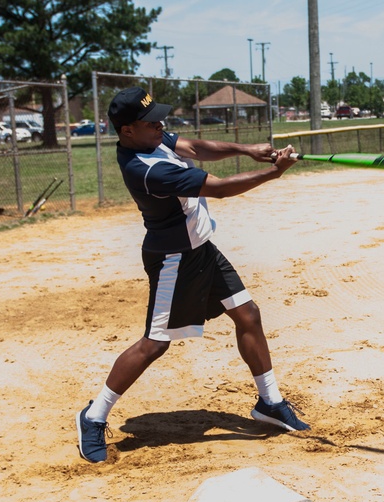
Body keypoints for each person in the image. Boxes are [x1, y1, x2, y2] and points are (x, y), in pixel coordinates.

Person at [75, 86, 309, 463]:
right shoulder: (146, 169)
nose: (161, 124)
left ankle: (270, 402)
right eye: (151, 121)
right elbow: (217, 188)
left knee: (248, 314)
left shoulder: (153, 140)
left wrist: (246, 149)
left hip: (201, 249)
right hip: (174, 260)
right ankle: (94, 415)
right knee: (155, 342)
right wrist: (273, 172)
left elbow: (196, 147)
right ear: (127, 131)